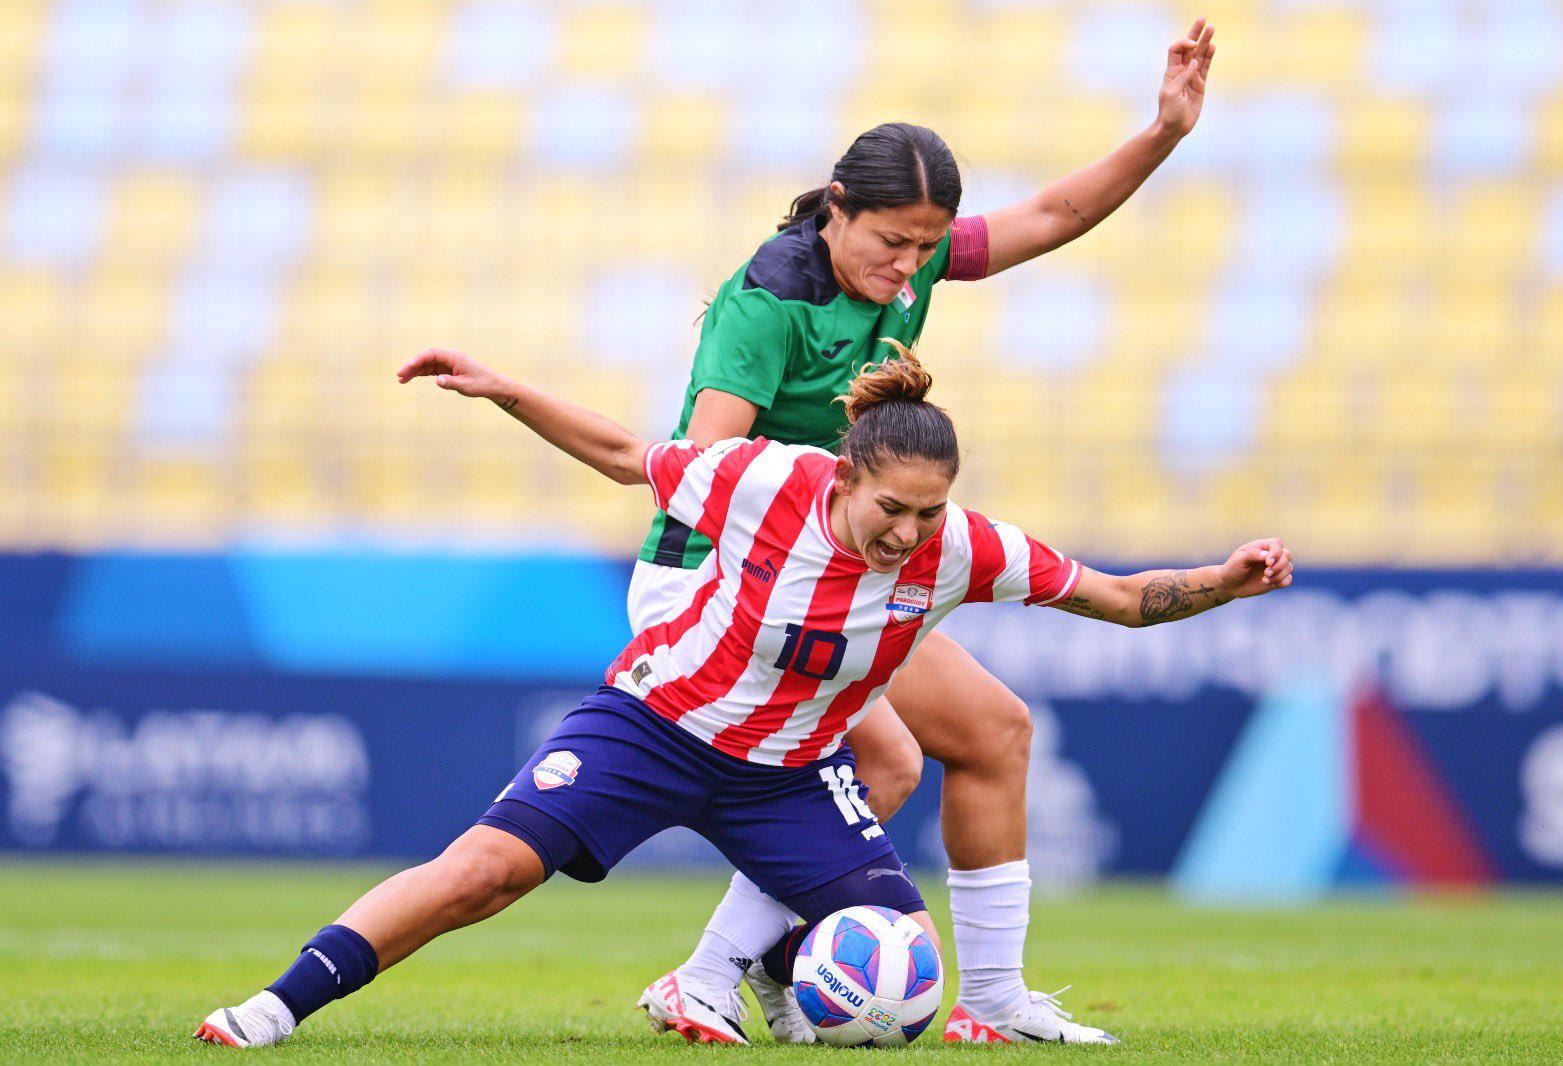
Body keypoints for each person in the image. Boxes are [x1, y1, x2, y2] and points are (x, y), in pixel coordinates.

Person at [193, 343, 1292, 1049]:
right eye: (892, 508)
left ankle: (756, 970)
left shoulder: (960, 549)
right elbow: (631, 456)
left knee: (894, 969)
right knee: (484, 873)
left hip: (788, 778)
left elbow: (1118, 597)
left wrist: (1224, 583)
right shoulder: (761, 476)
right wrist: (511, 392)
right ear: (846, 474)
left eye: (929, 512)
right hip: (652, 726)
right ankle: (275, 1007)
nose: (908, 533)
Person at [634, 17, 1217, 1046]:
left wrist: (1162, 131)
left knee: (991, 733)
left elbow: (1051, 212)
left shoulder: (906, 262)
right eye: (889, 241)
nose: (909, 267)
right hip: (716, 578)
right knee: (892, 764)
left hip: (836, 572)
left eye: (924, 245)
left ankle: (989, 1003)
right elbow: (705, 472)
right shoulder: (769, 299)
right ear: (836, 209)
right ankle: (711, 973)